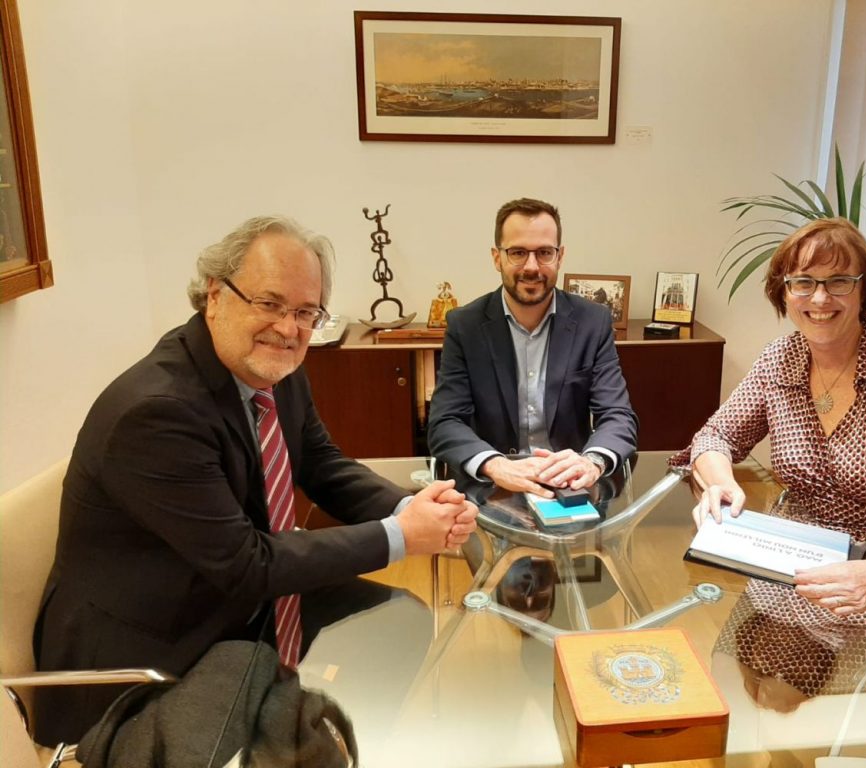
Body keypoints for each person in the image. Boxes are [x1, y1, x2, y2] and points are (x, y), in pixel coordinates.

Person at [32, 215, 478, 746]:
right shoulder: (156, 413)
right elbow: (249, 564)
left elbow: (323, 465)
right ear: (215, 296)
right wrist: (403, 535)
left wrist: (417, 507)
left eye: (306, 312)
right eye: (269, 303)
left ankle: (329, 748)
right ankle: (289, 745)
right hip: (149, 650)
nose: (289, 328)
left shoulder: (273, 369)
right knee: (258, 701)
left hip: (229, 597)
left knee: (397, 621)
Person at [671, 217, 866, 647]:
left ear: (864, 290)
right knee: (738, 655)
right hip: (798, 548)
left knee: (818, 676)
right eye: (803, 282)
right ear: (784, 292)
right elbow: (717, 437)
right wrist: (721, 485)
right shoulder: (780, 358)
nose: (820, 298)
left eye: (839, 281)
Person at [428, 197, 638, 497]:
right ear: (496, 257)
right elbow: (445, 421)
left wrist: (591, 463)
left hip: (568, 487)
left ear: (560, 256)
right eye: (517, 252)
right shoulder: (466, 326)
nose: (531, 266)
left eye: (544, 253)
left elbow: (618, 415)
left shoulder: (593, 322)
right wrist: (495, 464)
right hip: (494, 489)